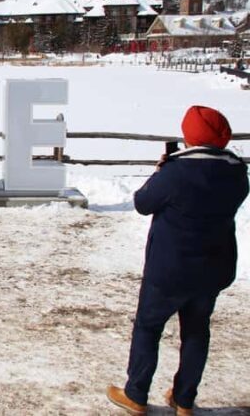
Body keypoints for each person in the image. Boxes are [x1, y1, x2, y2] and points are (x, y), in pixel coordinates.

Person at [107, 105, 248, 416]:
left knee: (148, 327)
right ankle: (184, 400)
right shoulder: (237, 172)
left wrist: (161, 171)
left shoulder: (176, 171)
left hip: (170, 269)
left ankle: (136, 394)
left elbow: (143, 203)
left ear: (191, 136)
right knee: (197, 332)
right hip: (213, 269)